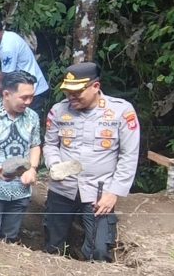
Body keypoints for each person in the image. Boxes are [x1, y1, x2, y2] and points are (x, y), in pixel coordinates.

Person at [43, 62, 140, 261]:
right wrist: (54, 165)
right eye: (68, 91)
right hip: (63, 188)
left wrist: (114, 192)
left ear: (95, 87)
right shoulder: (58, 111)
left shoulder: (121, 111)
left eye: (77, 92)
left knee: (99, 251)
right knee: (53, 246)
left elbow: (129, 155)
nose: (71, 96)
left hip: (99, 191)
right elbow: (50, 144)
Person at [0, 70, 41, 242]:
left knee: (10, 238)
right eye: (24, 97)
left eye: (31, 97)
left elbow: (35, 145)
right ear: (6, 94)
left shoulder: (32, 117)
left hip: (22, 189)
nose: (28, 102)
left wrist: (33, 169)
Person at [0, 13, 50, 119]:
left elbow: (7, 75)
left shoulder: (7, 47)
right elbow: (5, 69)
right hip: (27, 87)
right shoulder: (8, 37)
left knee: (29, 122)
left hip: (32, 90)